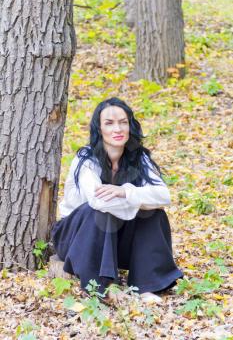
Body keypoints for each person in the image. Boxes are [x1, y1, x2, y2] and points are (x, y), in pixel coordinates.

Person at [51, 97, 183, 303]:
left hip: (114, 238)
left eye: (123, 122)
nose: (117, 129)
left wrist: (126, 192)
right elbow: (98, 202)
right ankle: (99, 286)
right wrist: (138, 203)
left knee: (153, 213)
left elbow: (164, 196)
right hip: (75, 237)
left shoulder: (139, 158)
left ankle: (145, 285)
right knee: (99, 211)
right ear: (99, 129)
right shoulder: (86, 158)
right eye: (109, 123)